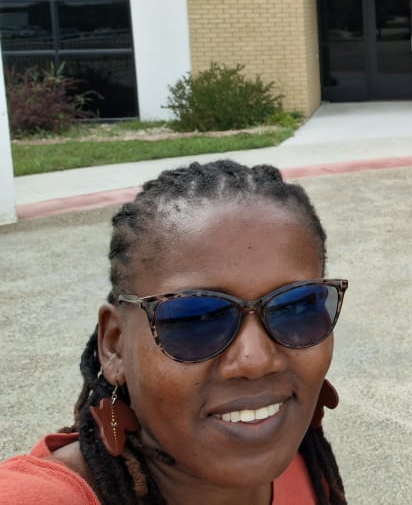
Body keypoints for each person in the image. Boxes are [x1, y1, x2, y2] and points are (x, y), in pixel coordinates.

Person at [0, 159, 349, 504]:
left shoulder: (308, 467)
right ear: (115, 346)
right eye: (197, 318)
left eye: (296, 308)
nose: (255, 360)